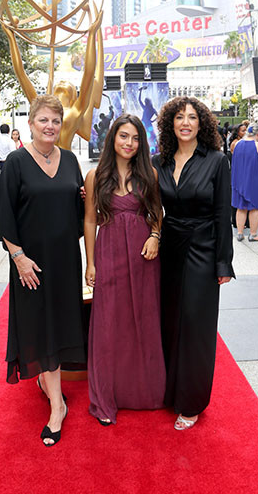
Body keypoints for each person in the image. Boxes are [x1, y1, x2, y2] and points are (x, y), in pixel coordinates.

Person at [0, 95, 85, 447]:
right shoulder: (15, 162)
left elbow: (77, 210)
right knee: (40, 327)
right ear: (30, 123)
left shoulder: (71, 160)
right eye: (43, 120)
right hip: (31, 264)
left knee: (58, 323)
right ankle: (57, 407)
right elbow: (3, 215)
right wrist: (18, 258)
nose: (50, 127)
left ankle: (48, 382)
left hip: (64, 260)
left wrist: (87, 198)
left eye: (55, 122)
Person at [152, 97, 234, 431]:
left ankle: (192, 401)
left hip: (203, 246)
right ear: (170, 123)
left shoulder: (216, 161)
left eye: (192, 117)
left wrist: (223, 263)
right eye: (179, 117)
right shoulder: (159, 161)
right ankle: (171, 391)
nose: (186, 122)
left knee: (196, 327)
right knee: (170, 321)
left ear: (202, 123)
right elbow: (136, 192)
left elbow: (221, 213)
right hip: (169, 246)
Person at [84, 114, 165, 425]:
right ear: (112, 139)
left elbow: (156, 212)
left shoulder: (149, 174)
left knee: (142, 320)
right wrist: (89, 262)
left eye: (135, 138)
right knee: (108, 323)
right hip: (109, 251)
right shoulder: (95, 176)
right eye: (123, 137)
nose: (129, 143)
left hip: (143, 255)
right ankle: (108, 396)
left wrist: (156, 236)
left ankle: (142, 392)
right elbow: (90, 219)